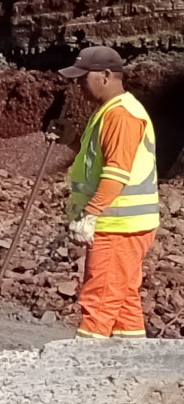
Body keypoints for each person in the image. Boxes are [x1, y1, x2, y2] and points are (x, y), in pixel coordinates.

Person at [61, 46, 160, 338]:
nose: (79, 84)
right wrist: (71, 140)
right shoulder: (108, 112)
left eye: (83, 77)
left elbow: (116, 172)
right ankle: (130, 365)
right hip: (124, 225)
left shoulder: (121, 115)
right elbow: (97, 160)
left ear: (105, 75)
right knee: (123, 300)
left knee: (100, 301)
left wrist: (89, 215)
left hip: (117, 226)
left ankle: (84, 371)